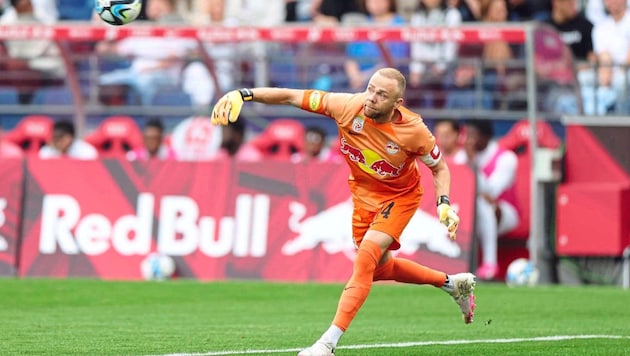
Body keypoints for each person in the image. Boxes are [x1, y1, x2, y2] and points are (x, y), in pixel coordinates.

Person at [210, 67, 476, 356]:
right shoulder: (347, 106)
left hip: (400, 198)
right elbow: (290, 96)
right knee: (380, 267)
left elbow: (438, 167)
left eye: (381, 94)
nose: (371, 98)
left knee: (364, 258)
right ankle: (452, 284)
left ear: (396, 104)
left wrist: (444, 203)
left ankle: (327, 344)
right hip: (362, 197)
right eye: (370, 89)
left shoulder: (414, 131)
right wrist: (244, 94)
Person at [463, 120, 519, 280]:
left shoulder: (506, 158)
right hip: (471, 212)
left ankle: (490, 264)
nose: (469, 140)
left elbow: (491, 192)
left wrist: (472, 163)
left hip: (505, 212)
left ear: (486, 136)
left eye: (473, 135)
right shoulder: (463, 155)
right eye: (466, 135)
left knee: (483, 204)